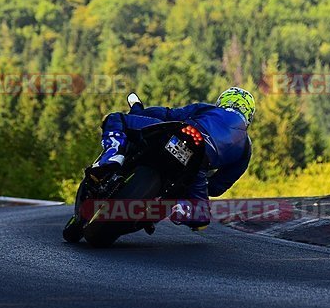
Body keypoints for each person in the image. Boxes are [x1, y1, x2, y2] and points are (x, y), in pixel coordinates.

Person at [90, 87, 255, 230]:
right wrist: (195, 187)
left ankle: (113, 156)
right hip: (198, 165)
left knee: (115, 119)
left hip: (176, 136)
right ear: (249, 114)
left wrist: (138, 110)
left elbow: (168, 114)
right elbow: (217, 187)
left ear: (223, 101)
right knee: (201, 219)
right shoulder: (246, 148)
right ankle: (179, 207)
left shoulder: (209, 109)